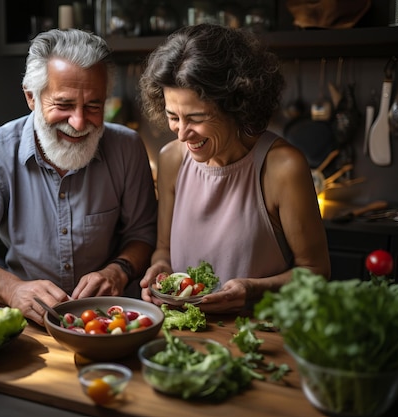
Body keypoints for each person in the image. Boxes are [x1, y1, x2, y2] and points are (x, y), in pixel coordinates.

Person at [0, 29, 157, 324]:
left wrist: (118, 270)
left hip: (112, 321)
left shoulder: (128, 148)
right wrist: (11, 289)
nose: (79, 122)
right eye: (63, 105)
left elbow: (144, 233)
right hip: (27, 322)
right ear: (31, 97)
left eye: (94, 106)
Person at [138, 24, 331, 314]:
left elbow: (315, 272)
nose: (181, 134)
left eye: (196, 117)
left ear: (237, 104)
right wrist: (160, 267)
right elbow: (163, 248)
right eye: (172, 117)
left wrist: (253, 290)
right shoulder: (171, 160)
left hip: (259, 336)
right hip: (182, 335)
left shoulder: (282, 168)